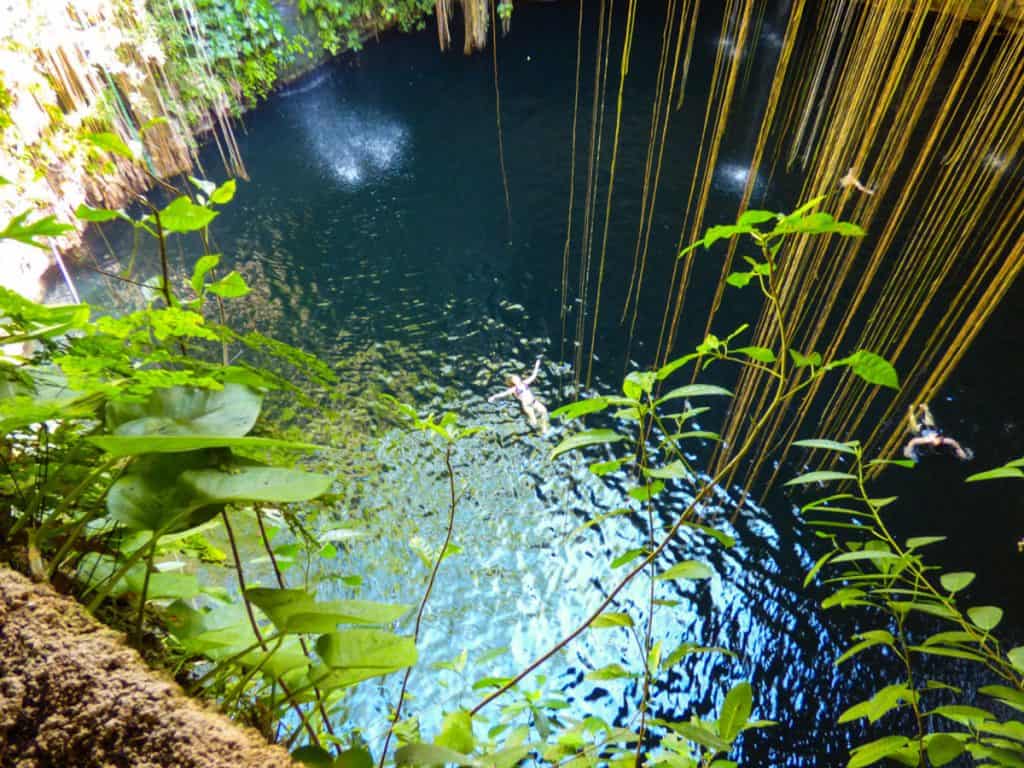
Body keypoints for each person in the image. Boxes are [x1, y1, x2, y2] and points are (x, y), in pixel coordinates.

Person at [488, 358, 549, 434]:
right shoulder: (513, 389)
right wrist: (493, 397)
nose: (517, 379)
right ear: (513, 382)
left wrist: (537, 365)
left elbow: (533, 376)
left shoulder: (525, 383)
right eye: (515, 379)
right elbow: (503, 394)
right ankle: (530, 425)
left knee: (544, 411)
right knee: (534, 421)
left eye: (517, 378)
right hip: (527, 405)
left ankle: (544, 427)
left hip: (534, 402)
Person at [902, 403, 973, 462]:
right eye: (939, 440)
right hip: (930, 428)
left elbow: (913, 441)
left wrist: (909, 451)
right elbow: (954, 443)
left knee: (915, 429)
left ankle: (911, 411)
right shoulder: (943, 440)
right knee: (931, 424)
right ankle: (925, 410)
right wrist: (961, 452)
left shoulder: (928, 440)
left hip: (920, 430)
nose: (936, 440)